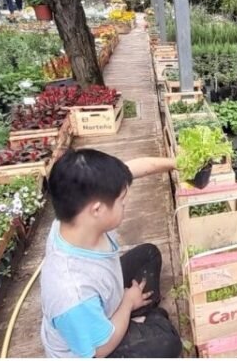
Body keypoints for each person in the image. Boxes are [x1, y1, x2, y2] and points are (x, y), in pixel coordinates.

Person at [40, 149, 182, 358]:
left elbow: (131, 170)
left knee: (149, 254)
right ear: (97, 210)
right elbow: (100, 349)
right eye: (122, 201)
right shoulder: (72, 293)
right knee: (167, 343)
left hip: (103, 300)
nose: (125, 203)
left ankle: (137, 319)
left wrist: (177, 162)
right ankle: (138, 318)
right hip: (94, 347)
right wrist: (128, 302)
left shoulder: (76, 217)